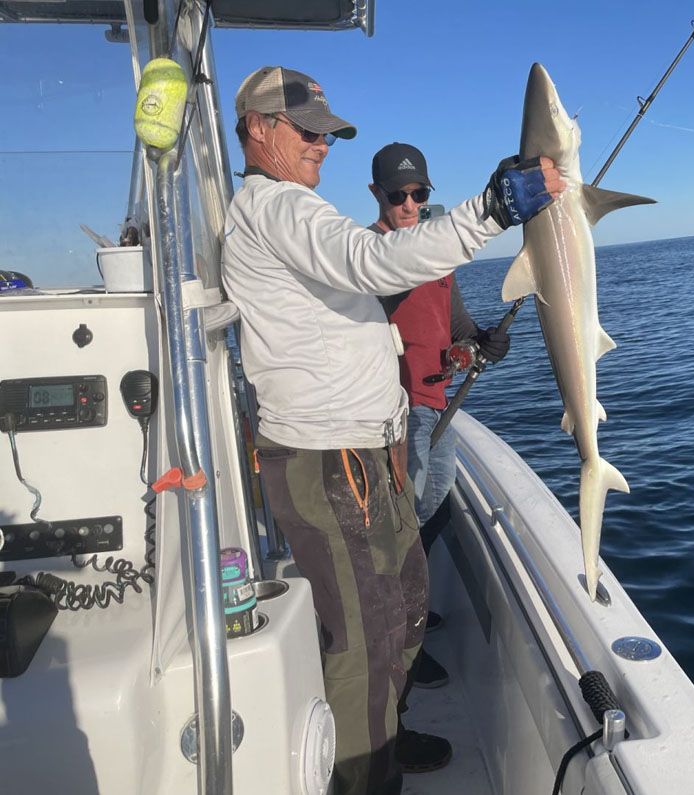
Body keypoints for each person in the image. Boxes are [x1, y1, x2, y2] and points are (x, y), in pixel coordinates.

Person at [221, 65, 561, 795]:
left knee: (406, 599)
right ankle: (363, 778)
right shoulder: (277, 209)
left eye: (327, 133)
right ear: (257, 128)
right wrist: (491, 209)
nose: (321, 144)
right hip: (328, 458)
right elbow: (376, 263)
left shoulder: (295, 213)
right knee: (367, 640)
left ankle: (388, 734)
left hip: (370, 452)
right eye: (306, 130)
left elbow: (378, 288)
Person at [368, 142, 511, 695]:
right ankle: (401, 647)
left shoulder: (437, 254)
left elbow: (454, 324)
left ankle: (412, 618)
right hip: (397, 415)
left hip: (438, 405)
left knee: (432, 514)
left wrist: (481, 339)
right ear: (378, 195)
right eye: (398, 195)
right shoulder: (369, 256)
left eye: (419, 194)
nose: (409, 204)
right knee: (402, 529)